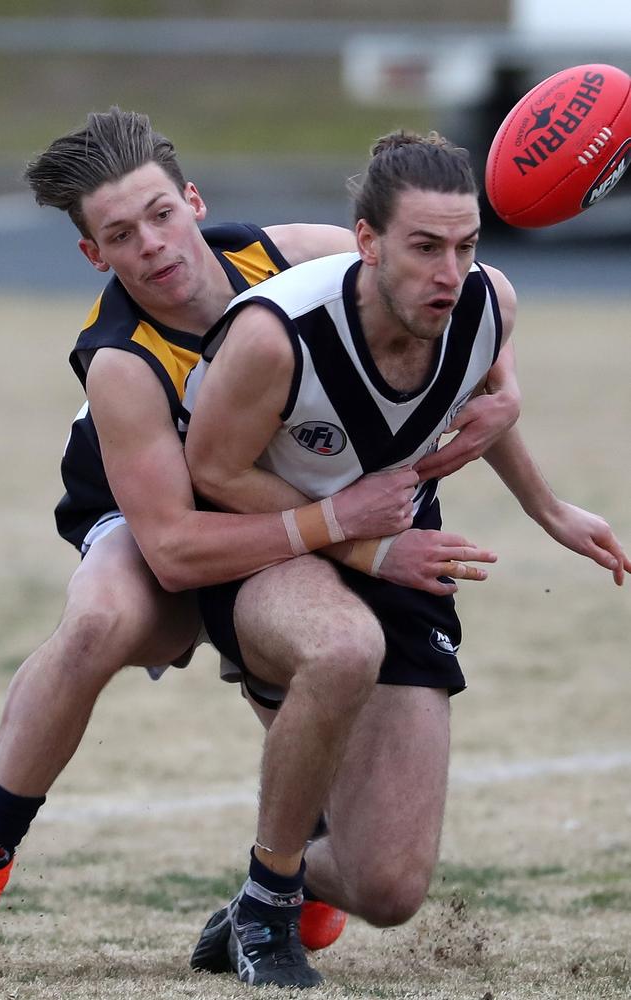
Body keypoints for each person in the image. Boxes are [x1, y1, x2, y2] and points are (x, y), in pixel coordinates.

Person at [0, 110, 522, 960]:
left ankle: (288, 839)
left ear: (193, 200)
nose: (153, 245)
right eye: (121, 234)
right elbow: (177, 548)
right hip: (157, 513)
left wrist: (507, 393)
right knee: (108, 622)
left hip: (278, 496)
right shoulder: (125, 360)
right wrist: (349, 528)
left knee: (385, 867)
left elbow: (444, 285)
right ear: (95, 256)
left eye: (161, 214)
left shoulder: (291, 257)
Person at [182, 130, 630, 988]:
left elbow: (485, 398)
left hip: (394, 549)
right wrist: (360, 539)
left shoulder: (485, 303)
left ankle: (265, 886)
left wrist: (548, 508)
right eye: (424, 247)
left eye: (464, 246)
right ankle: (272, 911)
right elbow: (213, 471)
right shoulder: (279, 336)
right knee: (342, 646)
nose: (448, 272)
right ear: (366, 241)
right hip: (265, 546)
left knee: (388, 888)